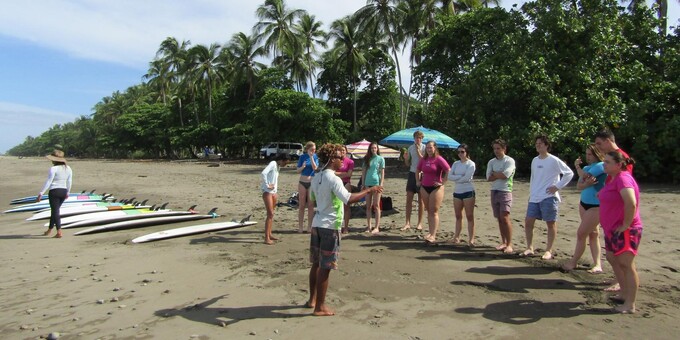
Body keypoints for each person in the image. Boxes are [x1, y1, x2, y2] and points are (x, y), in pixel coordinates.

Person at [307, 143, 383, 316]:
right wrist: (369, 190)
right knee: (325, 266)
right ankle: (320, 307)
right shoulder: (333, 178)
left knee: (316, 264)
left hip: (317, 223)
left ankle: (312, 300)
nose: (343, 160)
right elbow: (348, 199)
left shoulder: (316, 176)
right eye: (340, 157)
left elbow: (312, 199)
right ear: (332, 159)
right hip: (330, 226)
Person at [599, 151, 642, 314]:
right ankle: (624, 292)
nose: (604, 164)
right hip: (612, 229)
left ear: (618, 165)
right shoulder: (613, 179)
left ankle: (630, 304)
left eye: (608, 162)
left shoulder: (623, 178)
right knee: (611, 257)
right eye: (604, 161)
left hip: (625, 230)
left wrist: (626, 224)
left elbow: (631, 202)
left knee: (626, 264)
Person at [522, 135, 574, 260]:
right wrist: (531, 193)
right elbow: (533, 178)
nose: (538, 145)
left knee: (550, 223)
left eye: (540, 143)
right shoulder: (535, 160)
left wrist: (557, 186)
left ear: (546, 145)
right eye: (537, 143)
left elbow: (569, 173)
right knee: (528, 222)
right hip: (535, 196)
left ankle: (549, 250)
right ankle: (529, 247)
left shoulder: (553, 160)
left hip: (549, 196)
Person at [594, 129, 633, 292]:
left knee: (622, 254)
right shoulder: (610, 158)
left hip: (619, 212)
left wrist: (626, 222)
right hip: (610, 210)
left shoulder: (620, 158)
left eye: (599, 143)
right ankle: (619, 278)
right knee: (611, 253)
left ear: (608, 141)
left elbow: (625, 185)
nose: (598, 147)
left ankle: (623, 282)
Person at [563, 144, 606, 272]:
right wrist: (585, 182)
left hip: (596, 205)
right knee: (593, 233)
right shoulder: (588, 167)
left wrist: (578, 168)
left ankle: (574, 261)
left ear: (597, 154)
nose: (588, 157)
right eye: (586, 154)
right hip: (584, 203)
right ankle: (597, 264)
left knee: (581, 233)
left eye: (590, 154)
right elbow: (579, 186)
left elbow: (584, 176)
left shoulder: (601, 165)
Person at [416, 141, 450, 243]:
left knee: (434, 211)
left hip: (436, 188)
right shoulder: (424, 159)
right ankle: (430, 233)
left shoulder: (438, 159)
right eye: (427, 148)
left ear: (435, 148)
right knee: (429, 211)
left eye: (430, 147)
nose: (429, 149)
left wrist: (443, 182)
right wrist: (418, 181)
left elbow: (448, 170)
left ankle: (433, 235)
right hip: (424, 187)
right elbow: (417, 170)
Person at [486, 139, 516, 254]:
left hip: (505, 190)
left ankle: (509, 244)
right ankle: (503, 242)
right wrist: (497, 175)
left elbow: (506, 175)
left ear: (504, 149)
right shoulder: (491, 162)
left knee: (505, 217)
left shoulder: (509, 161)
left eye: (498, 148)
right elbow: (488, 177)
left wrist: (496, 174)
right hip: (494, 190)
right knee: (499, 218)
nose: (496, 151)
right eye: (494, 148)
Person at [37, 150, 73, 238]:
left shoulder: (53, 168)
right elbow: (69, 181)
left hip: (54, 191)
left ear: (55, 160)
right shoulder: (68, 168)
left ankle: (59, 231)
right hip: (63, 191)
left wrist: (41, 193)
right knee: (55, 211)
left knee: (55, 211)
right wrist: (68, 192)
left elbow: (49, 181)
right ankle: (49, 230)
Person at [447, 144, 476, 246]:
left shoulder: (471, 164)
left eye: (462, 152)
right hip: (457, 191)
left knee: (469, 215)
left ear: (467, 152)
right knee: (458, 215)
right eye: (458, 152)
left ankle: (471, 239)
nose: (460, 154)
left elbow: (467, 178)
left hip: (468, 191)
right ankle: (456, 237)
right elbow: (450, 176)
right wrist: (460, 176)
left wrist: (458, 177)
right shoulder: (456, 163)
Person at [260, 153, 290, 245]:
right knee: (270, 214)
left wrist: (275, 190)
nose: (285, 165)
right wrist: (267, 184)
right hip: (267, 192)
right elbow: (263, 173)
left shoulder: (277, 166)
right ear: (281, 160)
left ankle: (269, 234)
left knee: (271, 215)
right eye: (285, 163)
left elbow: (274, 179)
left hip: (273, 193)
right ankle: (266, 238)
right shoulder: (273, 163)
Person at [401, 130, 425, 231]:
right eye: (416, 137)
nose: (417, 139)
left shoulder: (425, 148)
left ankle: (419, 223)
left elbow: (424, 161)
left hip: (422, 174)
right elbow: (408, 164)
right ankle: (407, 222)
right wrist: (405, 158)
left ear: (422, 139)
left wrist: (419, 151)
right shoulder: (410, 148)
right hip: (412, 173)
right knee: (409, 198)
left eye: (419, 138)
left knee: (421, 200)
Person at [361, 142, 385, 234]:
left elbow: (382, 172)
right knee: (368, 206)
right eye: (372, 148)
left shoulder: (380, 159)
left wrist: (381, 184)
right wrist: (363, 184)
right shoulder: (367, 159)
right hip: (367, 184)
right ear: (370, 149)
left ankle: (376, 227)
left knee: (376, 205)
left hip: (376, 183)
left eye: (375, 148)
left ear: (377, 149)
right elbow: (363, 172)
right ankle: (369, 226)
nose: (374, 149)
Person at [297, 141, 319, 233]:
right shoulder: (302, 157)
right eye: (311, 149)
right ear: (307, 149)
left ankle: (309, 226)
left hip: (312, 182)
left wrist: (311, 157)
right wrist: (303, 166)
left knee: (311, 205)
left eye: (314, 149)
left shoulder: (315, 156)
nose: (313, 151)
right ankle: (300, 226)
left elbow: (315, 168)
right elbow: (298, 170)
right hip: (302, 181)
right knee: (301, 205)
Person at [335, 145, 354, 234]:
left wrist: (339, 174)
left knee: (346, 206)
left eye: (343, 150)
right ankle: (337, 226)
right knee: (336, 205)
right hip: (336, 184)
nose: (342, 152)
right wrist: (343, 173)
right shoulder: (335, 161)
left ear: (346, 151)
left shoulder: (350, 162)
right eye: (340, 150)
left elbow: (349, 174)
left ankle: (346, 227)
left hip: (346, 183)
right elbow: (333, 173)